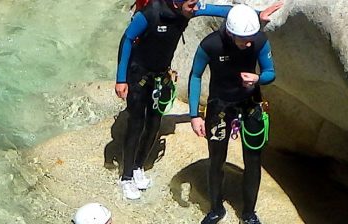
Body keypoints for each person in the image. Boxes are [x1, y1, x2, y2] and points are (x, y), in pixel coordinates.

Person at [115, 0, 281, 200]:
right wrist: (121, 79)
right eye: (192, 5)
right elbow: (126, 39)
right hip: (138, 73)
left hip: (159, 75)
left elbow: (224, 10)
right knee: (136, 123)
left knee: (153, 123)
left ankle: (138, 166)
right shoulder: (150, 14)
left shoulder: (188, 10)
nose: (196, 8)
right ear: (177, 4)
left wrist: (257, 14)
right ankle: (126, 177)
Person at [188, 4, 276, 224]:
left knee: (253, 161)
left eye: (251, 39)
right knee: (216, 160)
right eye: (243, 40)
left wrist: (258, 78)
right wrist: (194, 115)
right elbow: (195, 75)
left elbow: (270, 72)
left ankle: (249, 213)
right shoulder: (211, 44)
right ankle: (215, 209)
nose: (249, 44)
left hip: (249, 104)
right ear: (230, 32)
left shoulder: (258, 40)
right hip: (220, 106)